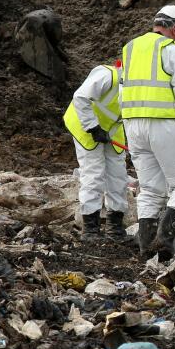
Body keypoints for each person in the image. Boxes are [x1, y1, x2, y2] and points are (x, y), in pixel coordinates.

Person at [120, 5, 175, 257]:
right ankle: (166, 237)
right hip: (165, 125)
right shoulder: (172, 50)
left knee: (150, 187)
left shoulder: (130, 48)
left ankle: (146, 245)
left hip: (133, 126)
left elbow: (122, 89)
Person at [63, 60, 128, 239]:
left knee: (118, 175)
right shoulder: (108, 75)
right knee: (94, 173)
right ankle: (90, 229)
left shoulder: (141, 85)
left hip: (112, 130)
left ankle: (115, 227)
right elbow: (80, 97)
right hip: (85, 126)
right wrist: (93, 127)